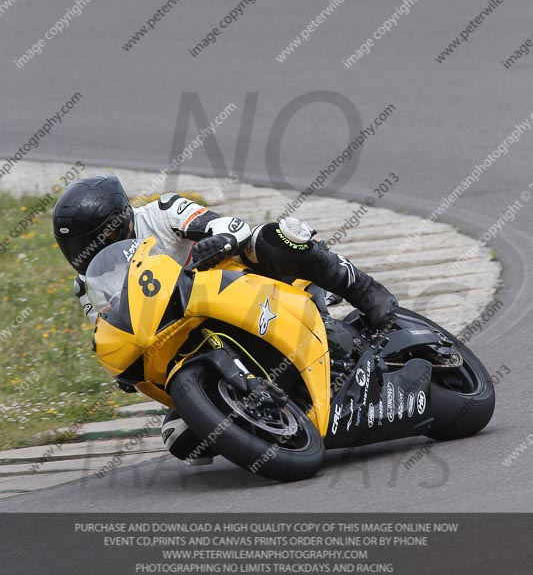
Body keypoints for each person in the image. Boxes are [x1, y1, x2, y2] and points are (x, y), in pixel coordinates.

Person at [53, 174, 399, 464]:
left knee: (273, 238)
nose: (91, 250)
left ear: (123, 220)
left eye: (101, 237)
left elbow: (230, 226)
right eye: (79, 247)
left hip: (233, 284)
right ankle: (266, 421)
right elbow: (112, 325)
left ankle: (366, 291)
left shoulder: (161, 212)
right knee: (181, 439)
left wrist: (218, 240)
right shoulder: (87, 286)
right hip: (183, 337)